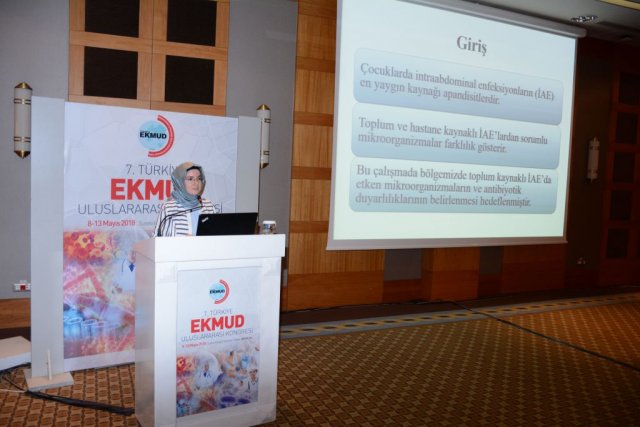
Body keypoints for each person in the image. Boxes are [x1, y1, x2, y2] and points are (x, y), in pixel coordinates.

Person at [154, 162, 219, 237]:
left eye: (199, 178)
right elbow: (157, 238)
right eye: (190, 179)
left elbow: (217, 234)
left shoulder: (208, 205)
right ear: (180, 182)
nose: (196, 183)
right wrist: (183, 241)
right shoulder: (169, 208)